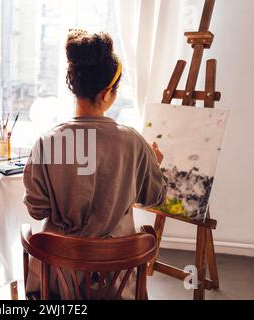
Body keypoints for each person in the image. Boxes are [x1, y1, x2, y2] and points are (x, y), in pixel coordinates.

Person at [23, 30, 167, 299]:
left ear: (73, 87)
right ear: (107, 93)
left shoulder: (48, 143)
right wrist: (153, 164)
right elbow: (155, 197)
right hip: (116, 283)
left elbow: (37, 210)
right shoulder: (133, 143)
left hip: (57, 280)